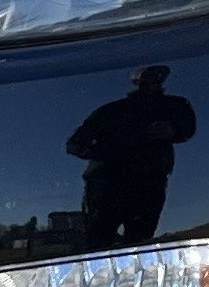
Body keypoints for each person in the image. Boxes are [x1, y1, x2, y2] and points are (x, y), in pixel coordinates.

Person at [66, 65, 199, 246]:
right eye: (147, 76)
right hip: (106, 187)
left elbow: (188, 129)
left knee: (141, 243)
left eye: (158, 76)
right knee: (99, 241)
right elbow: (74, 144)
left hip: (150, 185)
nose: (154, 80)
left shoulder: (176, 106)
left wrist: (171, 131)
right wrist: (110, 154)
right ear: (136, 81)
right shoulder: (110, 111)